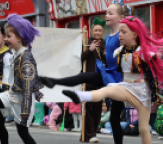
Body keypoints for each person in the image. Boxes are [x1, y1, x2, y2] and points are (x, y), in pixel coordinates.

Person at [62, 16, 163, 144]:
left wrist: (155, 94)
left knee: (143, 129)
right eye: (119, 31)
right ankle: (81, 95)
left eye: (124, 32)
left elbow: (153, 69)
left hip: (142, 92)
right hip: (126, 87)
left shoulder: (142, 52)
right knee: (107, 90)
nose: (120, 35)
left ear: (134, 35)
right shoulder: (119, 51)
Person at [40, 2, 128, 144]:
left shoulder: (120, 35)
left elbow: (129, 51)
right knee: (83, 77)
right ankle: (53, 81)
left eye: (111, 13)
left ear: (120, 18)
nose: (107, 15)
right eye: (106, 12)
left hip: (119, 79)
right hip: (107, 75)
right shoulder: (110, 37)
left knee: (116, 118)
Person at [0, 14, 43, 144]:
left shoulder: (25, 57)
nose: (6, 39)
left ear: (19, 38)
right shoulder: (13, 56)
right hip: (10, 96)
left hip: (21, 102)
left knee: (23, 132)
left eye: (8, 36)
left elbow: (29, 84)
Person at [82, 18, 107, 142]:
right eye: (95, 30)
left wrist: (106, 54)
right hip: (89, 80)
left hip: (101, 80)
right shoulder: (86, 43)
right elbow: (79, 59)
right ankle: (90, 135)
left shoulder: (105, 44)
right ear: (91, 31)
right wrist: (89, 50)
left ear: (102, 32)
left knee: (98, 110)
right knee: (89, 109)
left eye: (100, 30)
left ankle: (92, 132)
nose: (97, 32)